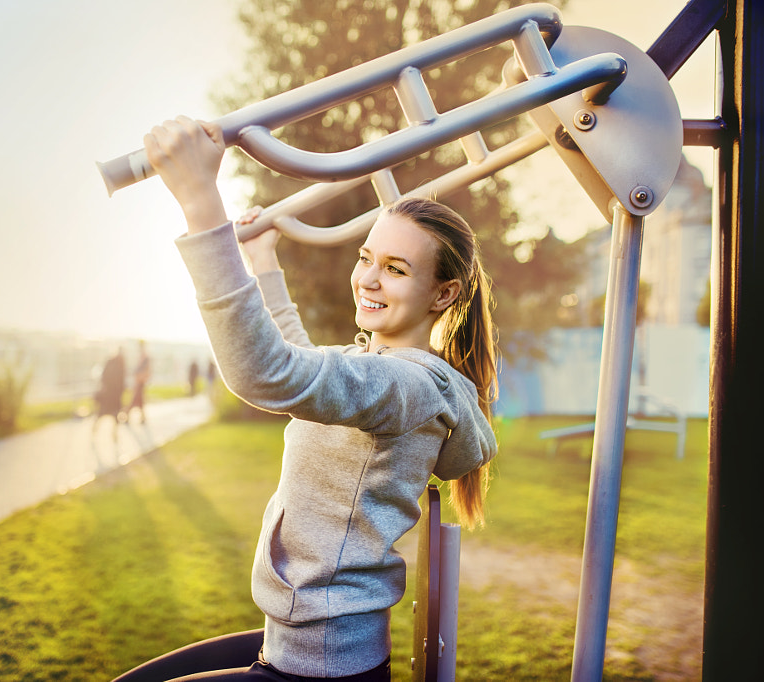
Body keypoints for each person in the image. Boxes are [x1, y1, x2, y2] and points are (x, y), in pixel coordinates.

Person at [114, 116, 498, 682]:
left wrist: (201, 202)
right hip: (302, 647)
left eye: (395, 269)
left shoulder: (408, 386)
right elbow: (299, 362)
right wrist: (263, 260)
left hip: (320, 665)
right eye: (366, 257)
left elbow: (268, 374)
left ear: (444, 293)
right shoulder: (378, 370)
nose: (368, 278)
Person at [94, 348, 126, 439]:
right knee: (114, 416)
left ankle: (97, 429)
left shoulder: (111, 362)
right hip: (114, 396)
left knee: (101, 414)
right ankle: (114, 434)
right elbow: (122, 382)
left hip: (109, 395)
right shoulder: (121, 364)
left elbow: (103, 377)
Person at [127, 340, 152, 424]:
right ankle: (142, 417)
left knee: (135, 399)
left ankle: (128, 415)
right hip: (140, 380)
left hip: (140, 381)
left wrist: (137, 373)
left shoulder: (145, 357)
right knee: (139, 400)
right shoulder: (143, 356)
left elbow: (143, 369)